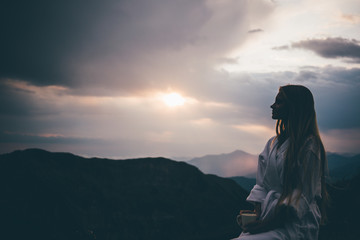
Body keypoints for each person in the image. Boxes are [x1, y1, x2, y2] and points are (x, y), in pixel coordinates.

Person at [233, 85, 328, 240]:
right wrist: (257, 215)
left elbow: (302, 195)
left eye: (279, 102)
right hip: (267, 218)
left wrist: (267, 224)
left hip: (294, 225)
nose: (272, 106)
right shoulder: (272, 143)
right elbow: (261, 185)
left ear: (294, 107)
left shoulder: (309, 147)